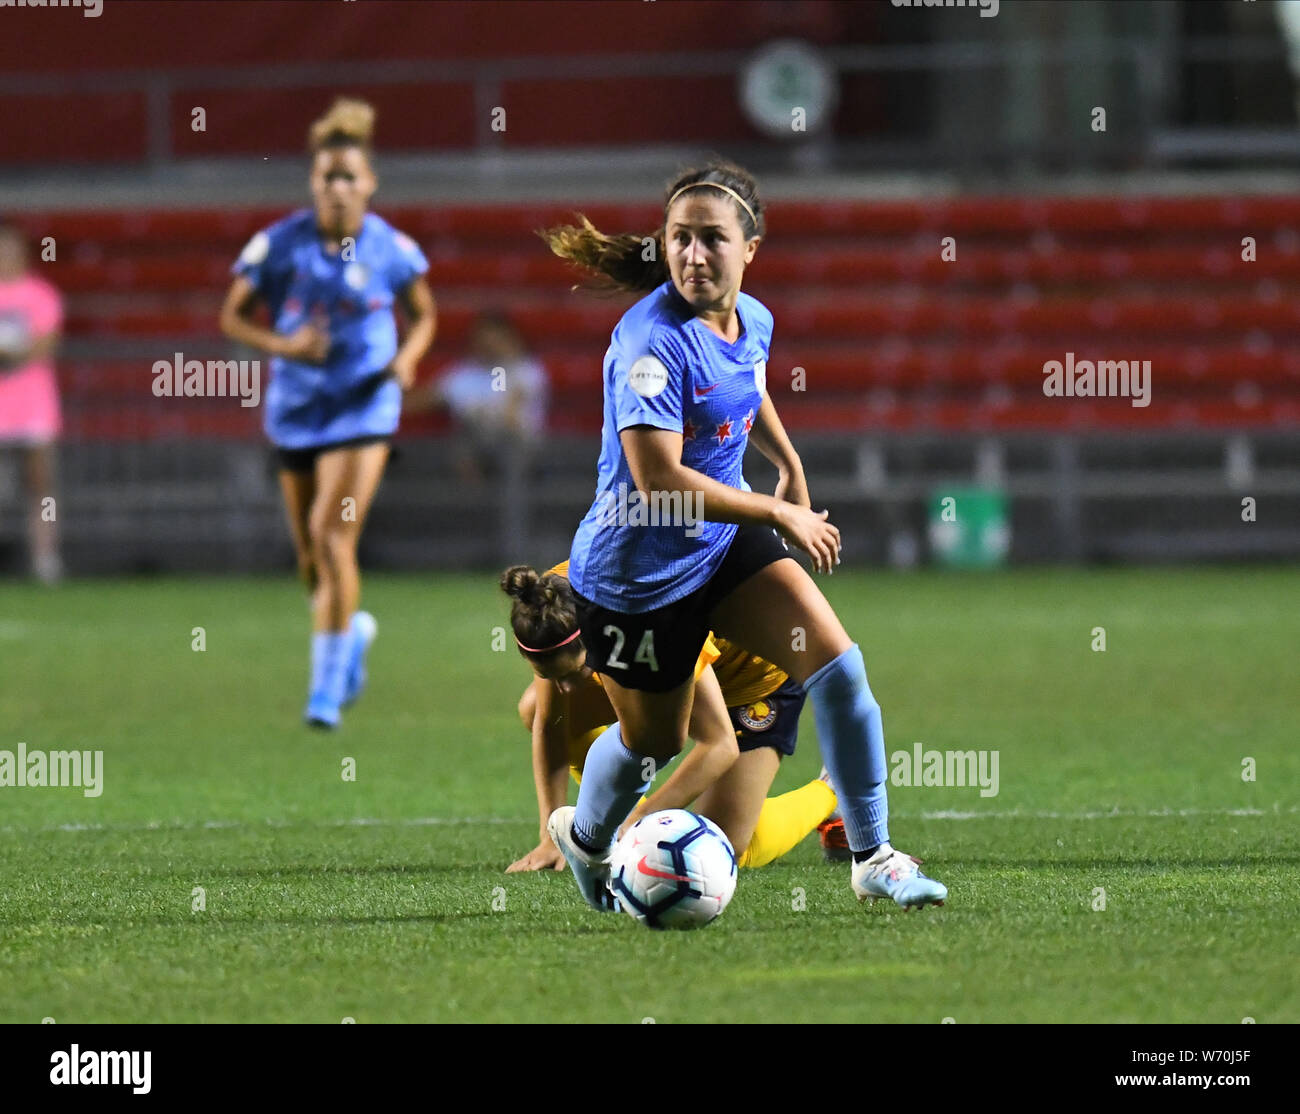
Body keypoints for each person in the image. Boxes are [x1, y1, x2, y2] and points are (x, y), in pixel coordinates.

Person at [538, 160, 948, 911]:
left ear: (750, 248)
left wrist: (786, 463)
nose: (694, 256)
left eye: (712, 240)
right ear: (663, 247)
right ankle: (588, 837)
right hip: (637, 572)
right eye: (680, 240)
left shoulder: (753, 318)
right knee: (651, 744)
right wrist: (780, 513)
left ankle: (874, 856)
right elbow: (658, 481)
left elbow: (747, 383)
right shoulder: (647, 344)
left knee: (840, 669)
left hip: (720, 545)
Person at [219, 97, 436, 728]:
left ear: (369, 184)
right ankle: (353, 635)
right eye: (327, 178)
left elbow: (425, 314)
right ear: (313, 184)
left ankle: (324, 690)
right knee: (312, 562)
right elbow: (232, 315)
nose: (339, 188)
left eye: (350, 177)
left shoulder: (392, 248)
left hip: (364, 405)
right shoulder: (279, 245)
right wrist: (284, 345)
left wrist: (408, 358)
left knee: (331, 533)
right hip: (297, 409)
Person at [500, 562, 845, 874]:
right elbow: (551, 723)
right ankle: (616, 819)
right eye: (550, 676)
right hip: (659, 659)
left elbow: (718, 744)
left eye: (575, 673)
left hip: (752, 679)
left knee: (721, 847)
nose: (566, 690)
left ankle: (832, 790)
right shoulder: (550, 605)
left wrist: (637, 823)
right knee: (536, 707)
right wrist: (551, 836)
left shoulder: (655, 622)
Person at [407, 311, 548, 484]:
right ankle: (473, 499)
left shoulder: (526, 370)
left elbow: (511, 415)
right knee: (463, 445)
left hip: (516, 445)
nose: (490, 345)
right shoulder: (464, 373)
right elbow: (426, 398)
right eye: (485, 339)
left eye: (496, 339)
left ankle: (509, 502)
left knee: (510, 444)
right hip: (475, 443)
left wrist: (507, 361)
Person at [0, 222, 64, 584]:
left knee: (41, 487)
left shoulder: (41, 294)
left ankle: (46, 558)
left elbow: (46, 343)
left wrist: (11, 354)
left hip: (32, 405)